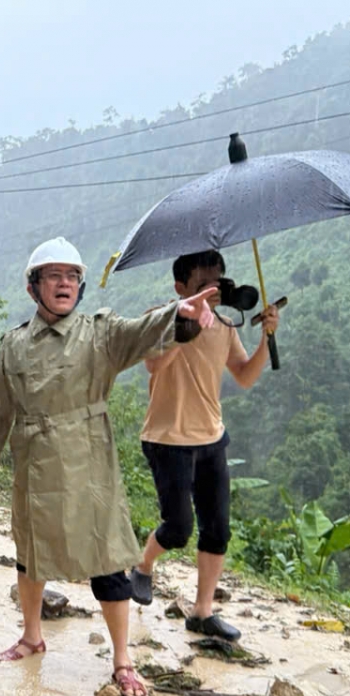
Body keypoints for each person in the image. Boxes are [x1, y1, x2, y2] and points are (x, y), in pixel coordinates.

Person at [0, 237, 216, 696]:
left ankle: (123, 660)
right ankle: (31, 636)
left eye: (72, 277)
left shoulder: (100, 333)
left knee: (106, 562)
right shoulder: (14, 345)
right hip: (35, 464)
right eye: (53, 276)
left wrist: (178, 315)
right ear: (33, 287)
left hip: (89, 463)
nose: (63, 284)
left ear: (80, 287)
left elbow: (142, 331)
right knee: (31, 554)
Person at [133, 250, 281, 642]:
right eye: (202, 286)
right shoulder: (161, 316)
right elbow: (153, 365)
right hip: (167, 440)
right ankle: (144, 565)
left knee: (217, 529)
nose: (212, 292)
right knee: (179, 528)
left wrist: (267, 338)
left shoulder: (226, 325)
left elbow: (245, 376)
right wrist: (187, 326)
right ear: (180, 287)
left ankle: (202, 612)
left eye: (218, 283)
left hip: (212, 439)